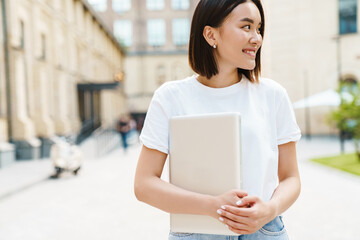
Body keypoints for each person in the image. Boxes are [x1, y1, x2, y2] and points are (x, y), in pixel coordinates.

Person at [134, 0, 301, 239]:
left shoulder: (273, 95)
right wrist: (213, 206)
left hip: (263, 230)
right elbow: (144, 185)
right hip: (197, 231)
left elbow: (291, 178)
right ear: (211, 34)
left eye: (259, 28)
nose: (257, 38)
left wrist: (270, 209)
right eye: (246, 27)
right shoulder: (170, 97)